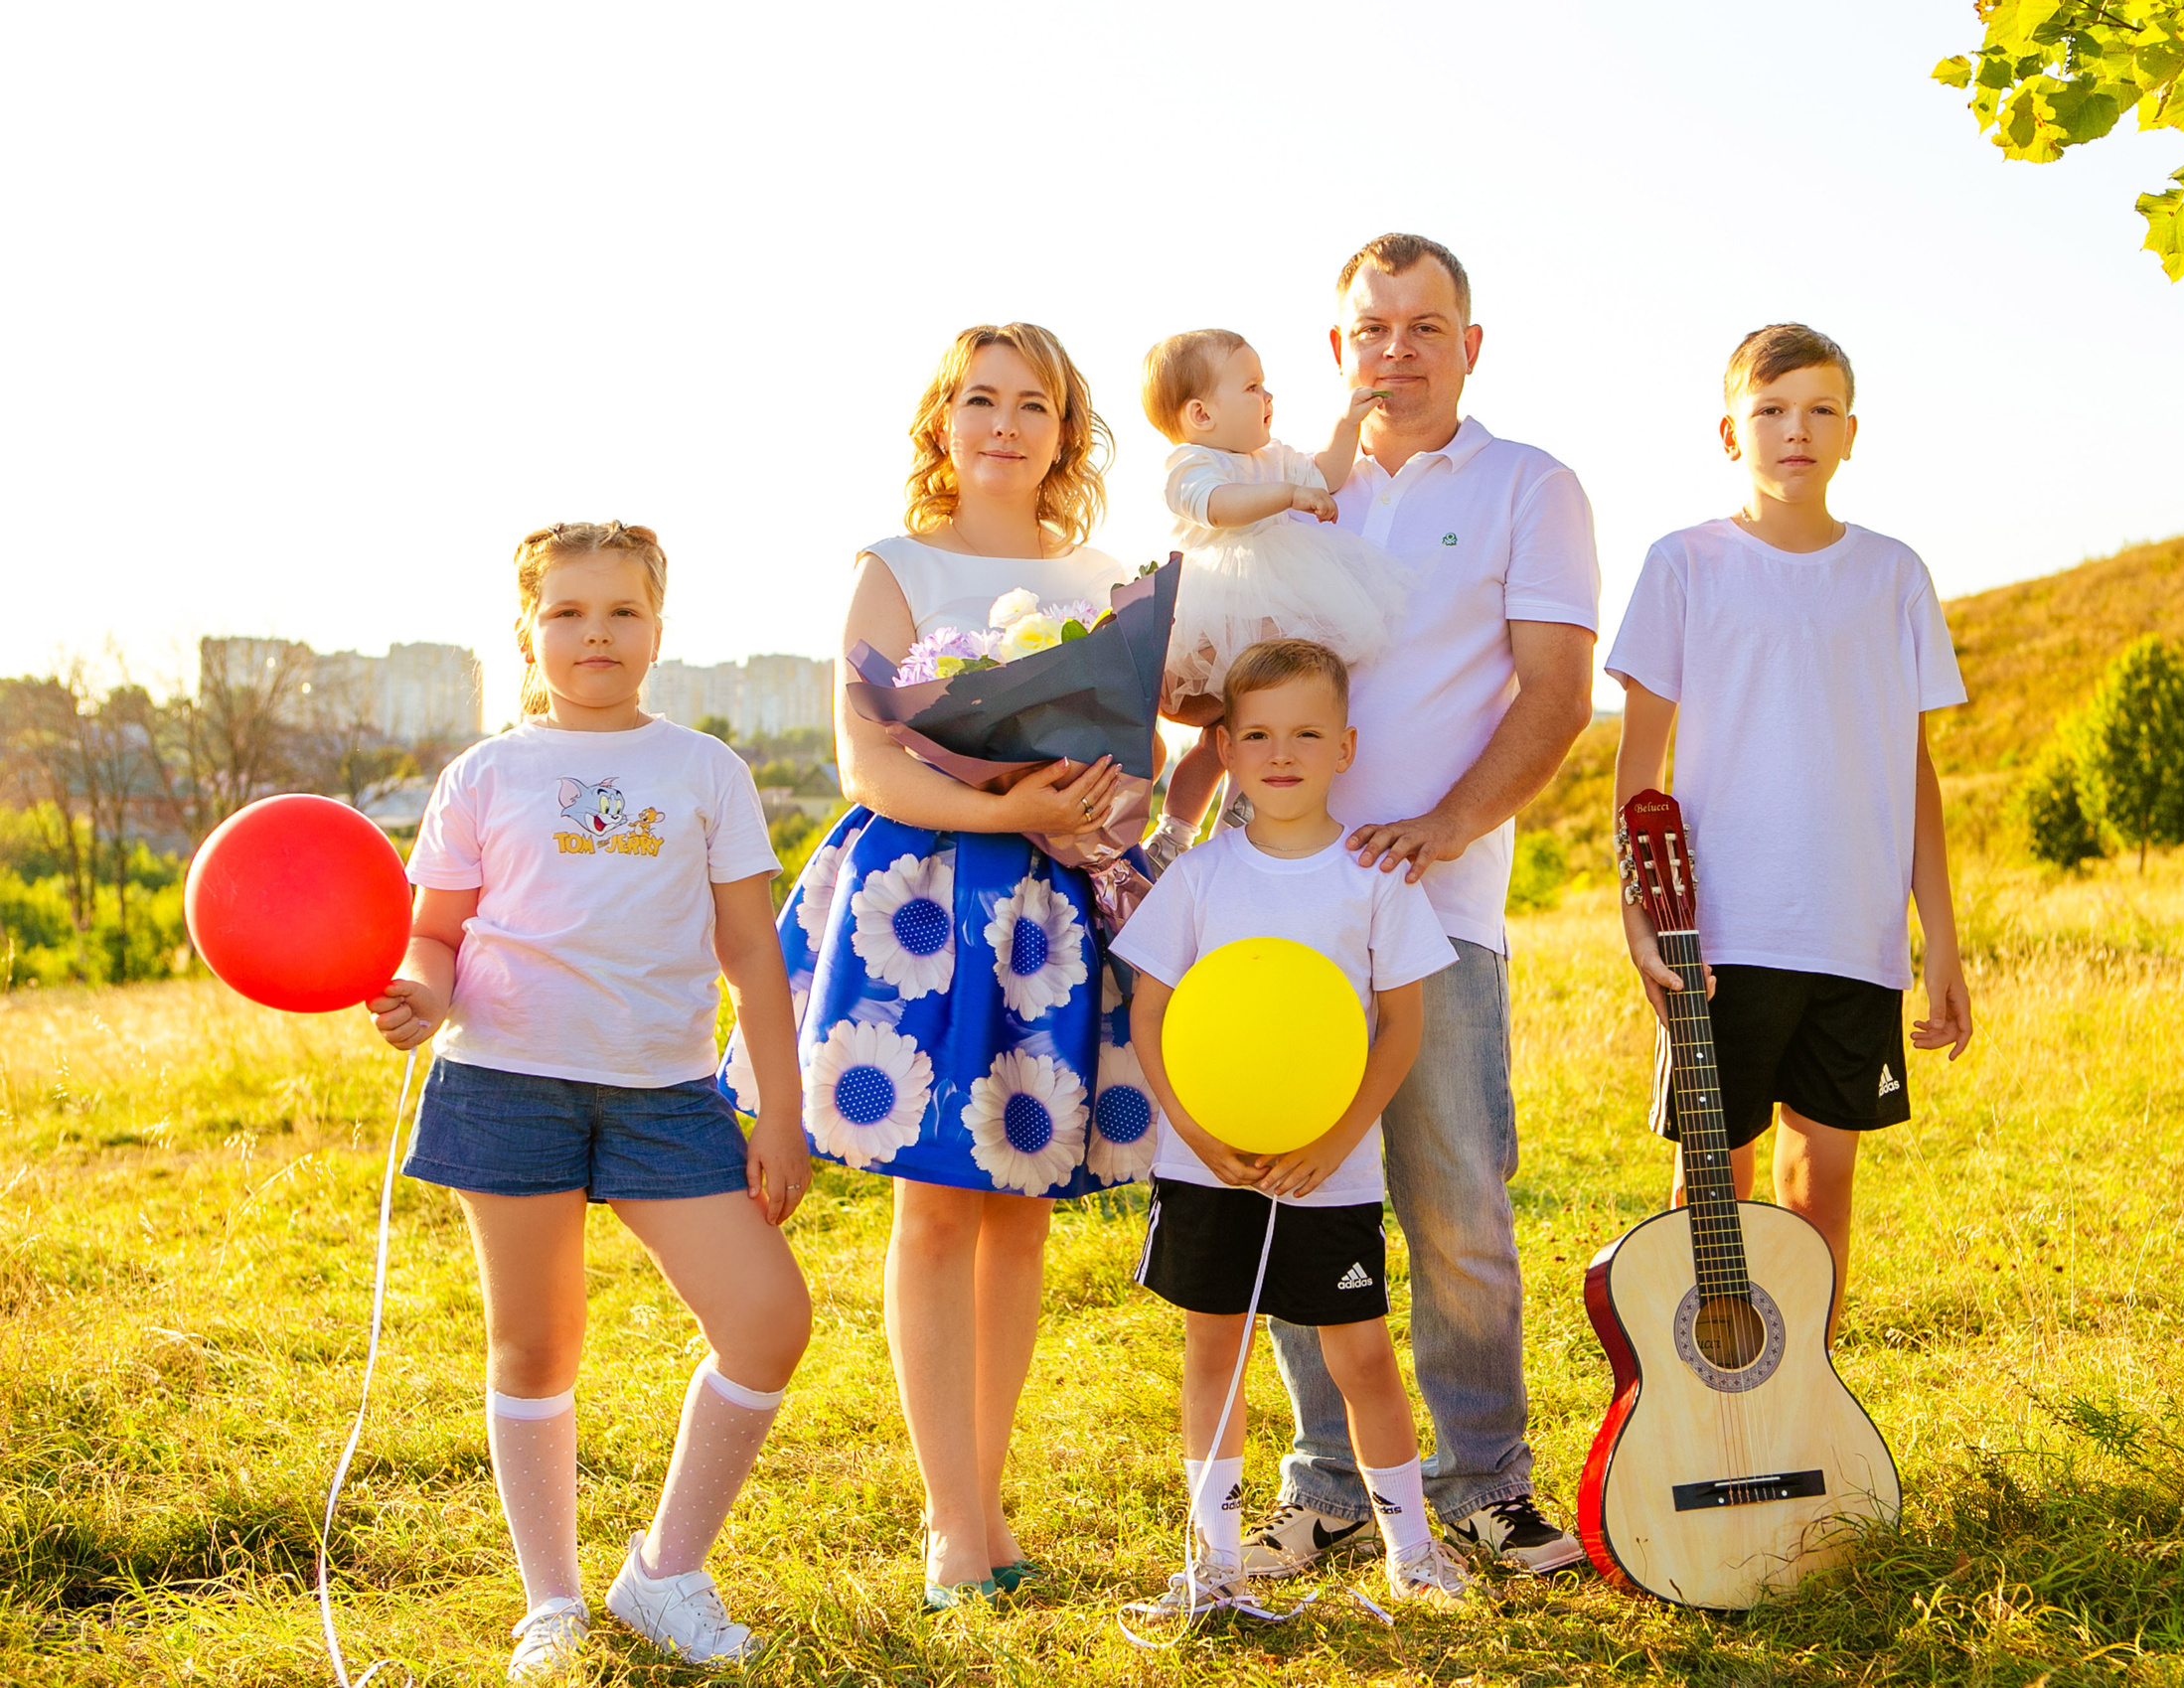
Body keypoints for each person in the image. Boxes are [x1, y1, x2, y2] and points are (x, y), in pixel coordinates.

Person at [729, 323, 1153, 1610]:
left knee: (1018, 1206)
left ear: (1066, 433)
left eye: (1035, 404)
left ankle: (987, 1490)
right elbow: (871, 763)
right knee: (936, 1208)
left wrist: (1096, 805)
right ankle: (948, 1520)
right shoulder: (892, 564)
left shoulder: (1105, 574)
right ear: (942, 420)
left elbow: (1125, 760)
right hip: (923, 902)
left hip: (1053, 912)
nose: (1006, 425)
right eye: (981, 399)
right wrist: (1012, 811)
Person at [367, 521, 814, 1679]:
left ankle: (665, 1574)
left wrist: (779, 1112)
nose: (595, 633)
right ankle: (551, 1606)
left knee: (768, 1321)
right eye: (567, 612)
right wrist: (419, 990)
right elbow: (435, 932)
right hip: (506, 1084)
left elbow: (754, 959)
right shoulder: (485, 774)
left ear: (658, 630)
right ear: (527, 631)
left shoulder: (705, 768)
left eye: (620, 611)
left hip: (665, 1096)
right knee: (534, 1344)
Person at [1248, 233, 1601, 1579]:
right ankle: (1328, 1480)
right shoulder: (1291, 500)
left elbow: (1557, 692)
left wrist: (1448, 824)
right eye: (1372, 326)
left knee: (1455, 1196)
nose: (1396, 347)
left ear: (1471, 345)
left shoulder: (1531, 486)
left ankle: (1484, 1483)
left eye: (1425, 324)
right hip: (1281, 908)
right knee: (1299, 1186)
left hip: (1439, 907)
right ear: (1338, 351)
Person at [1606, 322, 1976, 1345]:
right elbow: (1639, 777)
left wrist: (1936, 941)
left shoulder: (1893, 575)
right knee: (1707, 1198)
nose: (1793, 431)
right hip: (1719, 934)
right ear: (1730, 432)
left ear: (1850, 433)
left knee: (1821, 1197)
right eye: (1769, 410)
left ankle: (1800, 1409)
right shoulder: (1682, 564)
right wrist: (1641, 921)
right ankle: (1696, 1422)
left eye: (1818, 410)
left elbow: (1914, 774)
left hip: (1852, 937)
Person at [1112, 639, 1469, 1614]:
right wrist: (1193, 1130)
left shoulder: (1373, 878)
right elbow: (1150, 1013)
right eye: (1258, 734)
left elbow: (1399, 1025)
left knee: (1359, 1358)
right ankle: (1215, 1565)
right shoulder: (1195, 877)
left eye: (1306, 733)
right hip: (1204, 1164)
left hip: (1332, 1170)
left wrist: (1333, 1139)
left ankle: (1412, 1556)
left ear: (1345, 746)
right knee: (1212, 1355)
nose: (1281, 753)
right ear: (1223, 748)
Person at [1135, 329, 1407, 865]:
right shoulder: (1190, 465)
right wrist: (1287, 495)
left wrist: (1347, 426)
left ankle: (1238, 817)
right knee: (1214, 736)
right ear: (1201, 415)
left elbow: (1325, 475)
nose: (1268, 397)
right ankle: (1174, 833)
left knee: (1257, 721)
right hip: (1216, 608)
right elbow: (1218, 507)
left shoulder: (1273, 456)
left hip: (1271, 606)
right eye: (1253, 387)